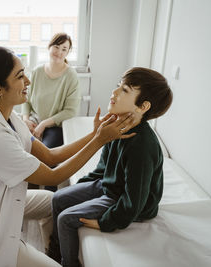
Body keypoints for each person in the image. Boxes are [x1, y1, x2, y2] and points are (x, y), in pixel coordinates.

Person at [0, 46, 136, 267]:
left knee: (55, 201)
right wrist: (100, 140)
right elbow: (54, 176)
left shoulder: (11, 118)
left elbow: (50, 156)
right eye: (19, 76)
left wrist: (95, 134)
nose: (28, 80)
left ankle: (53, 250)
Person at [48, 67, 173, 267]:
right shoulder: (115, 127)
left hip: (123, 198)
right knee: (58, 197)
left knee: (66, 219)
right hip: (110, 187)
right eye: (118, 86)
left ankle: (67, 263)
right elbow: (103, 169)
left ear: (143, 106)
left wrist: (106, 222)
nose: (114, 92)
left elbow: (135, 200)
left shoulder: (142, 144)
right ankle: (54, 248)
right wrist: (79, 189)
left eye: (124, 90)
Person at [21, 33, 80, 149]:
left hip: (55, 126)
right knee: (18, 150)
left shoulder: (71, 76)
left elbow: (70, 111)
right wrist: (26, 120)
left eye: (64, 49)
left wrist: (43, 124)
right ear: (49, 47)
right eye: (56, 47)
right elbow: (25, 98)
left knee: (46, 157)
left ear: (67, 53)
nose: (59, 52)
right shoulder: (37, 71)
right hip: (34, 121)